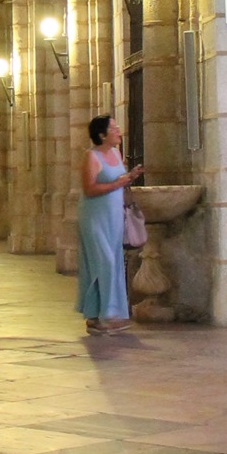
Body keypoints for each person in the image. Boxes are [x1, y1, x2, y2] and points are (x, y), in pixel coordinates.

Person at [76, 115, 143, 334]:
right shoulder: (91, 157)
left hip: (113, 217)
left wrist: (129, 176)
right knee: (103, 261)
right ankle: (108, 314)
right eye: (113, 128)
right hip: (94, 218)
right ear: (102, 134)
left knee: (112, 262)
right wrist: (118, 183)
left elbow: (119, 180)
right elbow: (90, 189)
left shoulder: (116, 153)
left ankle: (97, 316)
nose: (118, 131)